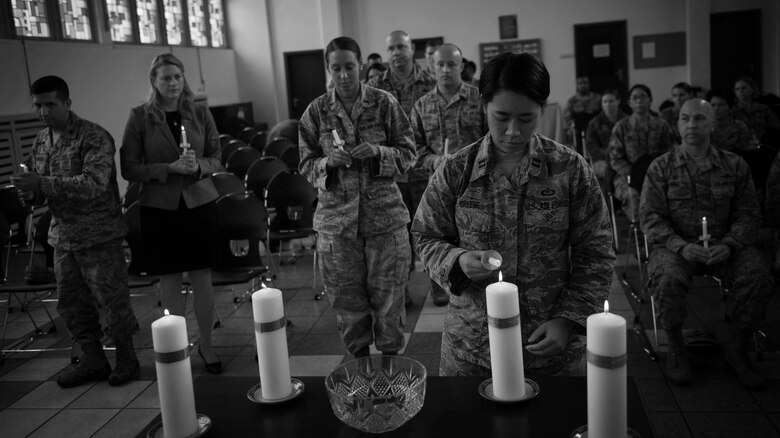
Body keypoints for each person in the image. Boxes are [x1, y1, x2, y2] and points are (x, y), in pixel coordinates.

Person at [412, 52, 615, 377]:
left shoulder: (569, 169)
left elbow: (597, 252)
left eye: (526, 119)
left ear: (542, 111)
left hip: (551, 347)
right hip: (473, 348)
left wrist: (568, 319)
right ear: (484, 106)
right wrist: (458, 261)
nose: (511, 131)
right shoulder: (456, 171)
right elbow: (425, 236)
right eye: (501, 117)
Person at [10, 76, 139, 388]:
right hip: (64, 237)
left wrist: (42, 184)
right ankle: (93, 360)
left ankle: (127, 359)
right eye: (38, 105)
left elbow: (93, 185)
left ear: (67, 103)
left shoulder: (93, 137)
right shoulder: (41, 141)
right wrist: (30, 192)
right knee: (71, 303)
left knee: (112, 301)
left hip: (99, 236)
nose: (43, 111)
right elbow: (41, 188)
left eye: (50, 104)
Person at [640, 98, 774, 390]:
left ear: (712, 124)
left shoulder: (734, 165)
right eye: (685, 118)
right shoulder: (661, 167)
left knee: (758, 275)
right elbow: (650, 217)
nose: (691, 125)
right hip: (678, 247)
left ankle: (737, 347)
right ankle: (676, 345)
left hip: (726, 246)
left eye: (699, 118)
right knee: (666, 277)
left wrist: (730, 243)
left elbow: (749, 213)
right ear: (677, 124)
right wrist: (680, 246)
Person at [299, 36, 415, 358]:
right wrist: (327, 163)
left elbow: (409, 153)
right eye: (336, 68)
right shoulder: (316, 112)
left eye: (350, 67)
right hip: (337, 226)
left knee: (390, 303)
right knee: (349, 307)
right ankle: (361, 379)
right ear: (328, 69)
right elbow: (305, 164)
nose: (345, 75)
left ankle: (393, 377)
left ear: (360, 65)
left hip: (385, 222)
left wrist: (379, 151)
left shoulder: (384, 103)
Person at [120, 53, 224, 374]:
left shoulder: (200, 112)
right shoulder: (141, 117)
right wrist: (169, 168)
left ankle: (206, 344)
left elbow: (216, 156)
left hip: (199, 203)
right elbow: (129, 167)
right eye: (165, 78)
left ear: (184, 78)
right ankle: (176, 345)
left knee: (202, 277)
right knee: (169, 281)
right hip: (161, 207)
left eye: (177, 76)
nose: (173, 83)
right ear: (154, 81)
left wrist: (199, 167)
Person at [409, 43, 486, 306]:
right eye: (440, 64)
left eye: (451, 64)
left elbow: (492, 141)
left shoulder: (479, 99)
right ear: (432, 67)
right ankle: (439, 283)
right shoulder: (422, 106)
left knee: (473, 234)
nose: (445, 69)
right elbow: (414, 149)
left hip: (475, 184)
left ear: (461, 66)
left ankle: (479, 282)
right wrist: (434, 161)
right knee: (436, 235)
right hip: (437, 185)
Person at [367, 29, 436, 307]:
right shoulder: (374, 85)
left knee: (430, 230)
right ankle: (403, 289)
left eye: (401, 47)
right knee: (396, 238)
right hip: (390, 173)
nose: (396, 53)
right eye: (391, 48)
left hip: (422, 168)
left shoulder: (430, 81)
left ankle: (437, 282)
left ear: (412, 49)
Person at [608, 84, 675, 220]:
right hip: (628, 175)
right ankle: (640, 231)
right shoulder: (622, 126)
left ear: (650, 100)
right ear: (629, 102)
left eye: (643, 97)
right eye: (635, 98)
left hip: (658, 173)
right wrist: (635, 174)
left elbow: (670, 153)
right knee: (632, 196)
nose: (639, 101)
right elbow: (615, 159)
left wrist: (656, 173)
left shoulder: (661, 125)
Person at [585, 89, 628, 196]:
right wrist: (608, 156)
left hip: (624, 158)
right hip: (602, 159)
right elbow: (591, 146)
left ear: (618, 101)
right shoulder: (595, 123)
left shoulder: (627, 120)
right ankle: (608, 206)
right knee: (606, 171)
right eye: (605, 102)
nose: (608, 104)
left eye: (611, 101)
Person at [706, 89, 759, 153]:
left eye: (721, 105)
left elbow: (747, 149)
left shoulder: (739, 126)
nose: (716, 108)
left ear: (730, 107)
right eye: (713, 105)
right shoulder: (703, 126)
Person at [732, 76, 780, 144]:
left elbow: (776, 126)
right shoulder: (732, 110)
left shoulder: (763, 108)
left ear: (752, 90)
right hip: (741, 144)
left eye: (744, 88)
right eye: (737, 89)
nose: (740, 91)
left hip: (763, 143)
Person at [563, 76, 601, 149]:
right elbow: (567, 118)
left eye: (585, 83)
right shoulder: (572, 100)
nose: (583, 85)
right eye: (580, 83)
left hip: (595, 126)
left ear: (589, 84)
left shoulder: (597, 98)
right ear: (577, 85)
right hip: (578, 128)